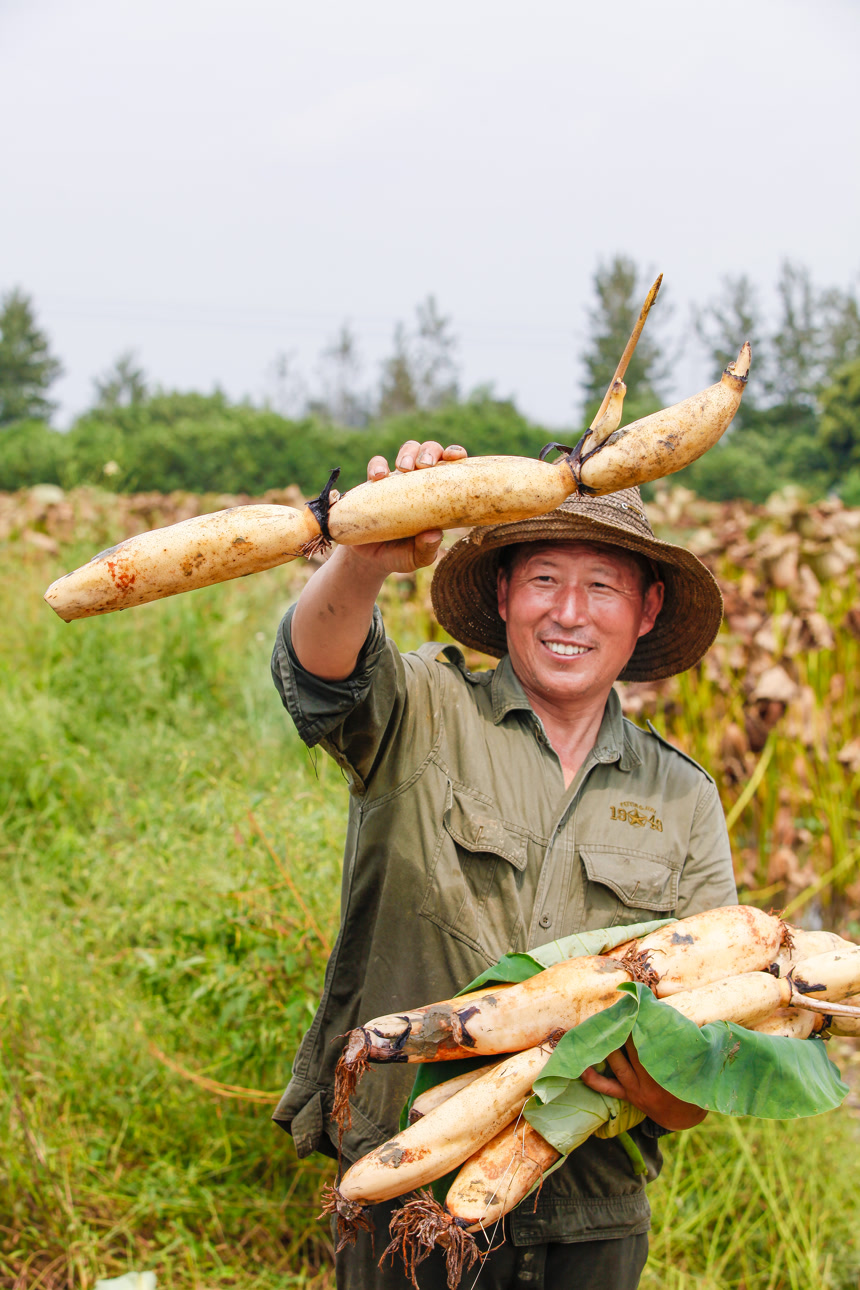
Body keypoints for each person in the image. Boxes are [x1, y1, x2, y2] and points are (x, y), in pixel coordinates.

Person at [271, 438, 737, 1289]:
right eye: (544, 579)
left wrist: (660, 1089)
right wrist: (363, 555)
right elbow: (318, 671)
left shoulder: (682, 797)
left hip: (589, 1221)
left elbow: (705, 1059)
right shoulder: (425, 711)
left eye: (602, 586)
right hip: (406, 1195)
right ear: (503, 593)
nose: (570, 612)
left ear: (646, 609)